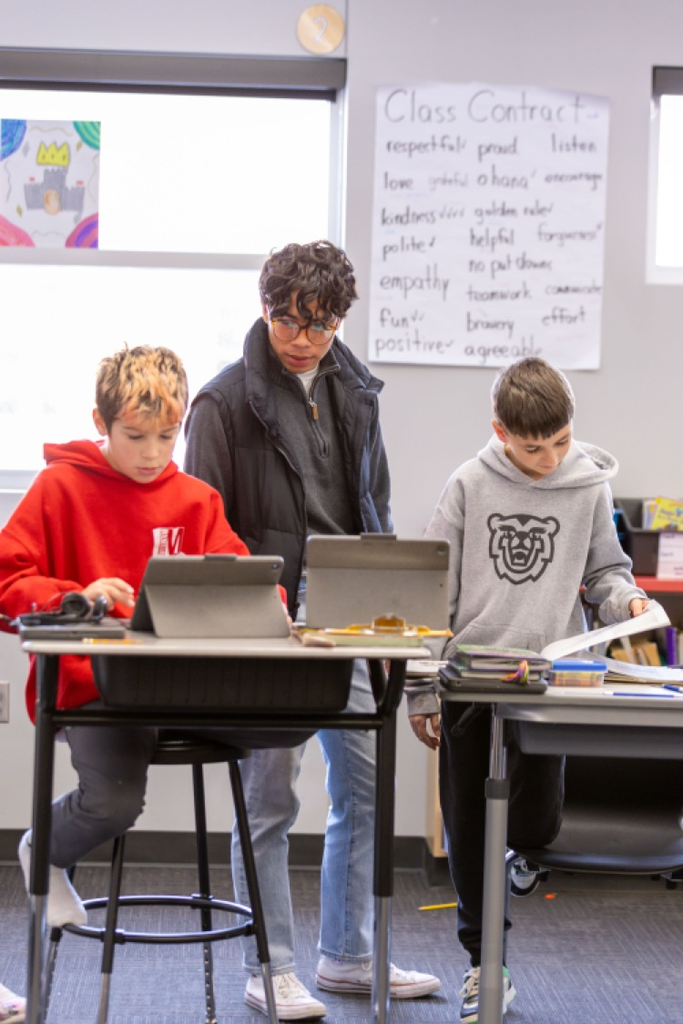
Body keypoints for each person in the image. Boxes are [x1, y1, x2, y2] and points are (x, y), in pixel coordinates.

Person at [184, 240, 441, 1019]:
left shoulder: (357, 392)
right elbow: (204, 532)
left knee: (363, 793)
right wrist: (257, 616)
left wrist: (397, 621)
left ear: (338, 320)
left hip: (351, 620)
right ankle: (272, 964)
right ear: (264, 307)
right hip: (267, 628)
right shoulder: (222, 403)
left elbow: (377, 512)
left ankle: (347, 956)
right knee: (268, 802)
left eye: (319, 325)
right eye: (287, 320)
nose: (301, 337)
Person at [0, 344, 310, 929]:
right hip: (97, 689)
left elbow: (244, 573)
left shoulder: (195, 498)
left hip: (183, 687)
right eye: (135, 437)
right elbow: (7, 580)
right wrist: (77, 594)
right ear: (101, 423)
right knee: (114, 802)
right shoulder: (59, 488)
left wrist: (268, 606)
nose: (153, 455)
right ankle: (43, 851)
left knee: (297, 715)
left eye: (167, 437)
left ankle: (276, 957)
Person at [407, 356, 649, 1023]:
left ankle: (516, 856)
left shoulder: (587, 486)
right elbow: (433, 596)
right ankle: (486, 963)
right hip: (470, 683)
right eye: (531, 446)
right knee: (466, 826)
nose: (547, 459)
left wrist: (624, 603)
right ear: (500, 431)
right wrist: (421, 691)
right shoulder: (466, 485)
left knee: (537, 823)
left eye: (559, 442)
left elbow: (605, 573)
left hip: (548, 686)